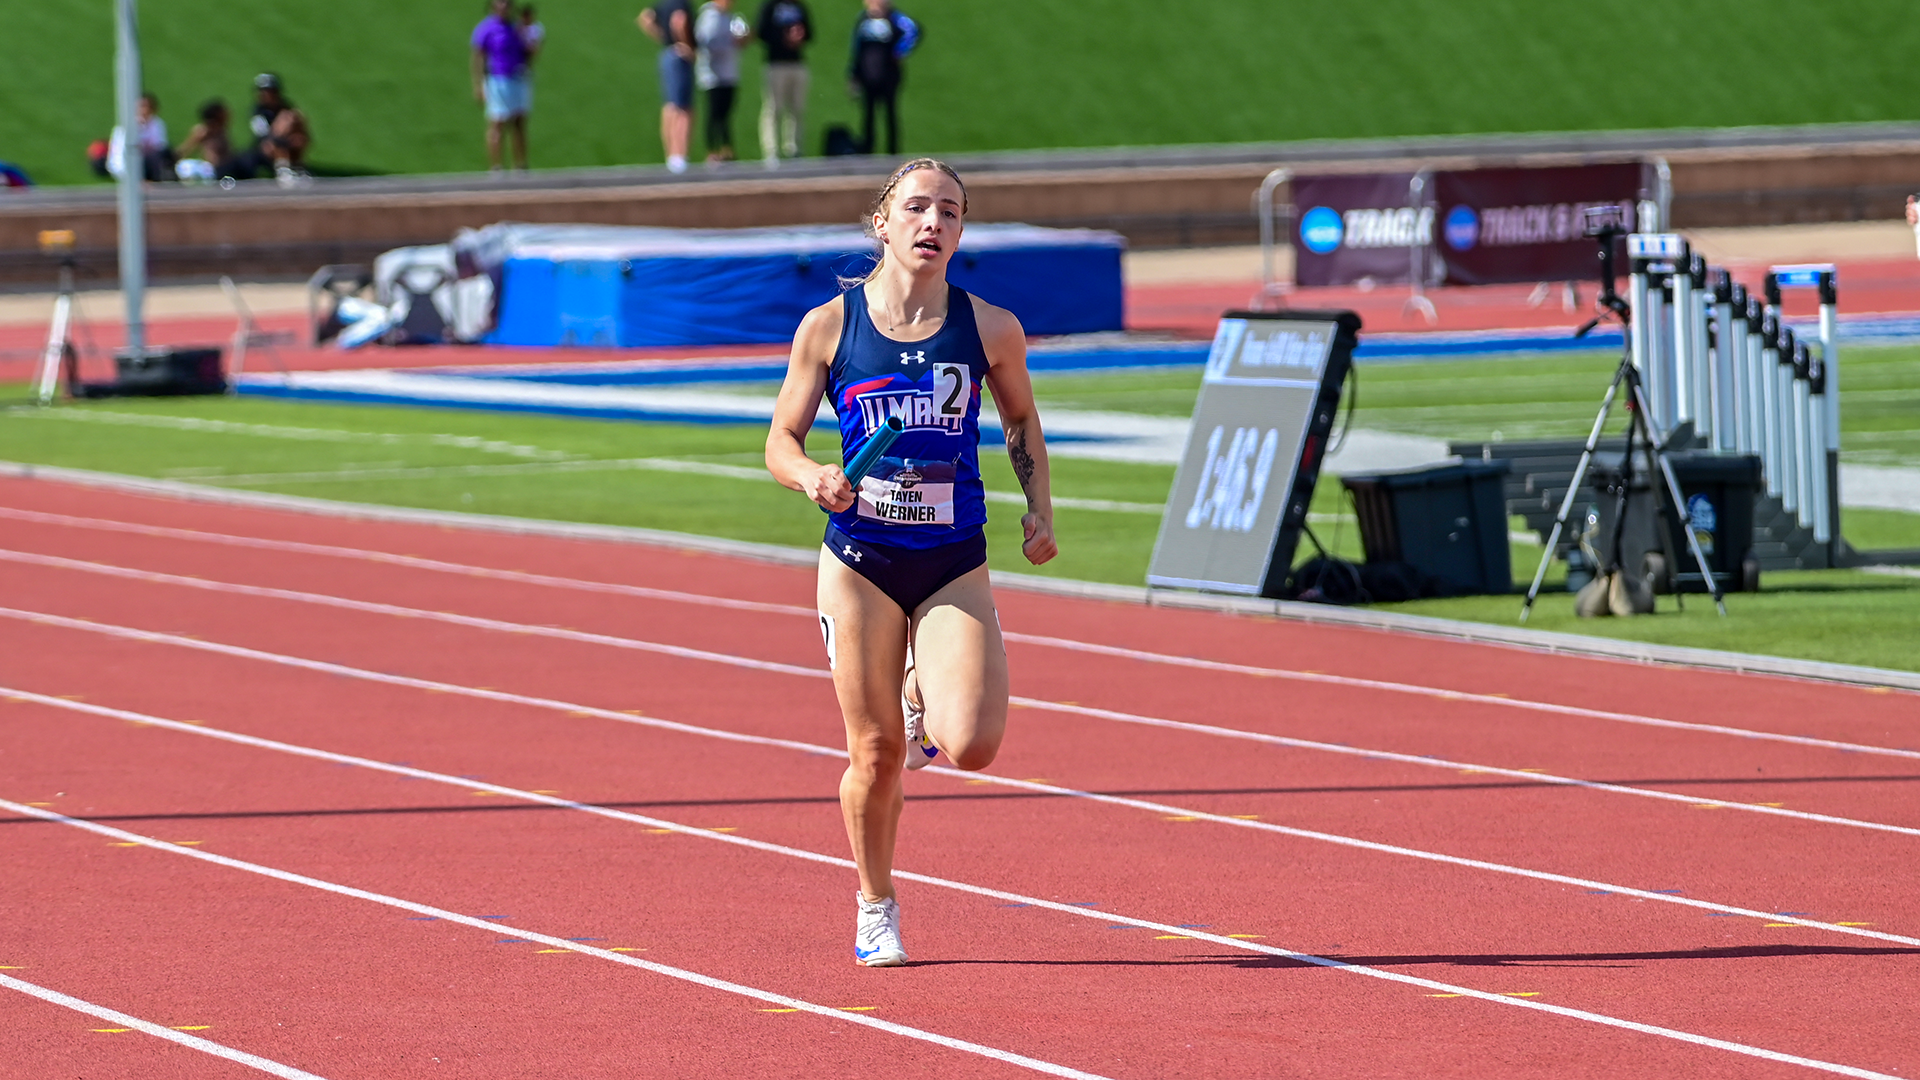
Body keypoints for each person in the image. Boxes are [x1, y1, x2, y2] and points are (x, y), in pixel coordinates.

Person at [765, 158, 1057, 966]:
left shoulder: (989, 326)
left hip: (953, 555)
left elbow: (1022, 420)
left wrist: (1040, 507)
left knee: (972, 744)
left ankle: (928, 682)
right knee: (877, 753)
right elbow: (779, 442)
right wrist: (812, 476)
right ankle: (875, 904)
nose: (935, 223)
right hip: (861, 558)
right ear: (883, 223)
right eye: (918, 207)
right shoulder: (830, 327)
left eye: (952, 212)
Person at [848, 0, 916, 156]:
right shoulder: (863, 20)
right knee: (868, 114)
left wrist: (899, 51)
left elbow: (913, 31)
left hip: (889, 75)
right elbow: (856, 47)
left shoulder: (895, 18)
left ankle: (893, 150)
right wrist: (854, 74)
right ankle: (867, 149)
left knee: (890, 112)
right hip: (868, 74)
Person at [472, 0, 533, 171]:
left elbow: (528, 53)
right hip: (498, 80)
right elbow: (478, 57)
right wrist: (478, 84)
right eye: (500, 3)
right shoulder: (486, 28)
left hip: (519, 79)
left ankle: (520, 165)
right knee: (497, 122)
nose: (504, 7)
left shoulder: (518, 27)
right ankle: (496, 166)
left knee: (519, 123)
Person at [638, 0, 695, 173]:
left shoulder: (665, 3)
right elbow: (679, 20)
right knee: (683, 108)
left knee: (670, 105)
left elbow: (645, 18)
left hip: (667, 55)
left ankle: (671, 155)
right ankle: (680, 155)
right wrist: (687, 45)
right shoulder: (680, 3)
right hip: (680, 57)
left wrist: (663, 39)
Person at [694, 0, 750, 162]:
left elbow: (740, 37)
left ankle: (727, 149)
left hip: (729, 73)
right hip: (712, 74)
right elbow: (705, 42)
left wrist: (741, 39)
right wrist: (728, 43)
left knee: (726, 114)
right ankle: (712, 150)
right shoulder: (709, 17)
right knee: (714, 113)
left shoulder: (730, 17)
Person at [755, 0, 810, 165]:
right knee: (773, 108)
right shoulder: (769, 6)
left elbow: (810, 32)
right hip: (776, 63)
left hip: (796, 62)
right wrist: (784, 37)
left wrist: (800, 35)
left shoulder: (799, 6)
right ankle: (771, 151)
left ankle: (794, 148)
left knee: (797, 108)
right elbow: (761, 32)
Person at [239, 73, 311, 186]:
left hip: (283, 141)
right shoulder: (258, 112)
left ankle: (298, 168)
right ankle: (283, 170)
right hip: (265, 147)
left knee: (296, 131)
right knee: (281, 129)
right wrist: (285, 141)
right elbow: (263, 135)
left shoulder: (285, 107)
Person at [106, 91, 174, 182]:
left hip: (148, 163)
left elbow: (161, 146)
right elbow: (119, 155)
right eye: (142, 106)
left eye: (148, 107)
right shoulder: (125, 127)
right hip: (128, 166)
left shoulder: (157, 124)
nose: (145, 110)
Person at [174, 99, 236, 183]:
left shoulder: (222, 131)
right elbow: (186, 148)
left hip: (225, 167)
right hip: (211, 169)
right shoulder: (203, 131)